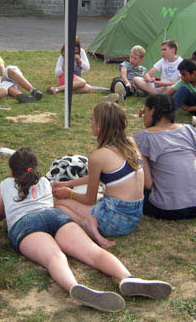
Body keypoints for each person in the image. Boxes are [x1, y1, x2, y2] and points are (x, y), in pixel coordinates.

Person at [0, 148, 171, 313]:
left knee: (54, 257)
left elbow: (0, 213)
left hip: (25, 223)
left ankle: (74, 286)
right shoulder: (43, 182)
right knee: (93, 252)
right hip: (54, 215)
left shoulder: (5, 184)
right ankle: (127, 277)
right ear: (35, 168)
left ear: (12, 172)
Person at [52, 102, 144, 248]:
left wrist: (68, 193)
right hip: (134, 216)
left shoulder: (98, 156)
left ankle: (87, 225)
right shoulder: (130, 144)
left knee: (59, 205)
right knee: (99, 197)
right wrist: (68, 183)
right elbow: (105, 176)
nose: (91, 123)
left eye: (92, 120)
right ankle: (90, 219)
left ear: (100, 125)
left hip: (114, 220)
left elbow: (89, 199)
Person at [134, 94, 196, 220]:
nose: (143, 116)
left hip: (167, 209)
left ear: (152, 111)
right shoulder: (188, 130)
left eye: (145, 111)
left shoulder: (142, 138)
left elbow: (147, 184)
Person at [0, 38, 43, 103]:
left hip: (5, 75)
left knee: (10, 69)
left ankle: (33, 90)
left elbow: (1, 66)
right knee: (5, 85)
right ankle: (21, 96)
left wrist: (3, 75)